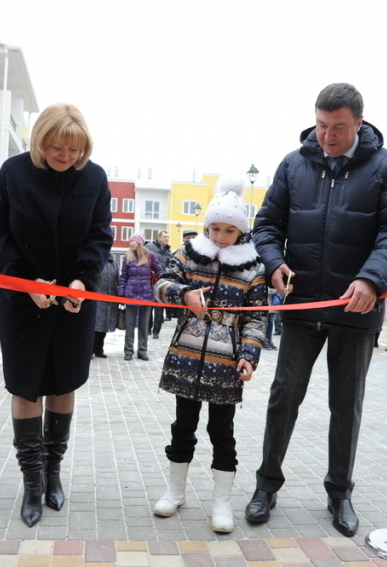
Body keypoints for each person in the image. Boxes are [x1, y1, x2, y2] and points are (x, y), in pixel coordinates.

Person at [246, 83, 387, 536]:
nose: (327, 136)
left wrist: (372, 278)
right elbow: (267, 225)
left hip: (356, 310)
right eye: (321, 125)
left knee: (347, 405)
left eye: (338, 127)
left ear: (359, 123)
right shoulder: (293, 164)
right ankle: (266, 486)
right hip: (303, 306)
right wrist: (274, 263)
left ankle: (339, 493)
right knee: (283, 398)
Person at [0, 103, 112, 527]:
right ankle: (32, 483)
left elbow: (100, 234)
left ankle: (54, 473)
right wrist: (24, 280)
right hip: (22, 300)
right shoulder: (14, 172)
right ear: (41, 141)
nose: (66, 156)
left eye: (74, 150)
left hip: (73, 299)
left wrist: (81, 280)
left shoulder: (94, 177)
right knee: (26, 387)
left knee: (63, 382)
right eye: (58, 148)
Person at [151, 175, 267, 533]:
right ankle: (175, 490)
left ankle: (221, 502)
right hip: (187, 358)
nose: (220, 236)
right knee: (182, 427)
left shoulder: (253, 268)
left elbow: (257, 318)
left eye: (228, 231)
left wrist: (249, 354)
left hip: (226, 365)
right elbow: (161, 284)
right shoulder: (188, 254)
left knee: (222, 432)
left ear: (240, 233)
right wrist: (182, 294)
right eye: (214, 228)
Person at [118, 233, 163, 361]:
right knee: (130, 325)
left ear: (139, 242)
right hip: (130, 293)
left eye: (132, 241)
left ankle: (142, 351)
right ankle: (128, 351)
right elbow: (124, 277)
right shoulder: (128, 256)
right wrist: (121, 293)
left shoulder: (150, 256)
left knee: (144, 325)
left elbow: (160, 271)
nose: (130, 243)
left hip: (146, 293)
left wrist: (162, 284)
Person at [146, 231, 172, 338]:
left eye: (168, 237)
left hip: (162, 282)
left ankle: (156, 332)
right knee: (149, 307)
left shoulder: (168, 251)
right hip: (150, 281)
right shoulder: (149, 247)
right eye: (165, 236)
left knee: (159, 308)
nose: (166, 238)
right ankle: (148, 328)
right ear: (159, 237)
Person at [93, 255, 119, 359]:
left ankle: (99, 349)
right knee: (97, 324)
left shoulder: (114, 264)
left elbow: (118, 279)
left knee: (105, 324)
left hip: (111, 298)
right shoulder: (98, 260)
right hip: (99, 297)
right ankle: (92, 349)